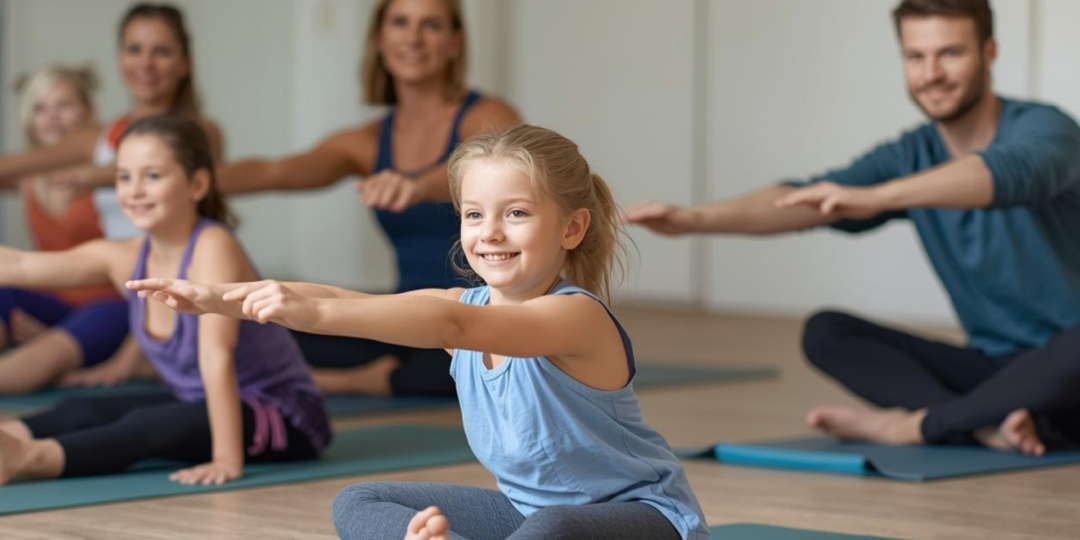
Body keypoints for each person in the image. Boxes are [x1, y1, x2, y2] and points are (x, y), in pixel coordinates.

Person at [129, 125, 709, 540]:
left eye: (517, 213)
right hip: (526, 517)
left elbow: (451, 323)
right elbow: (348, 298)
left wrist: (312, 317)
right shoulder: (470, 302)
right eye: (474, 214)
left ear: (572, 227)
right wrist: (217, 299)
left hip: (642, 521)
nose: (490, 233)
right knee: (361, 500)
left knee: (555, 528)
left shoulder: (574, 316)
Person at [627, 0, 1080, 455]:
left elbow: (1008, 173)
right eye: (916, 57)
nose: (931, 73)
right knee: (827, 332)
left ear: (989, 52)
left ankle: (918, 426)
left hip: (1071, 362)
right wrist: (693, 220)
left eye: (950, 54)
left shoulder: (1047, 129)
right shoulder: (911, 155)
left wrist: (880, 195)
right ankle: (991, 426)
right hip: (997, 371)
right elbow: (810, 199)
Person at [0, 116, 328, 486]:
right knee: (82, 408)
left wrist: (225, 459)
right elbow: (21, 265)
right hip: (197, 405)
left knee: (152, 424)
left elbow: (216, 355)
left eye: (152, 176)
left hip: (282, 416)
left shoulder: (212, 245)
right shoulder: (124, 257)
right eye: (124, 177)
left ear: (197, 184)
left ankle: (26, 459)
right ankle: (8, 439)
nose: (135, 190)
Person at [217, 0, 520, 398]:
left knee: (475, 362)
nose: (412, 37)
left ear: (454, 42)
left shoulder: (487, 114)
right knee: (275, 327)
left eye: (430, 25)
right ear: (380, 38)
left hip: (481, 314)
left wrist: (417, 186)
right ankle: (386, 370)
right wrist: (187, 181)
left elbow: (487, 167)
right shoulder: (367, 142)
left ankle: (357, 381)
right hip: (406, 316)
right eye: (400, 23)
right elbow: (275, 171)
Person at [0, 66, 140, 394]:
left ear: (90, 114)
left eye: (63, 105)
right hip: (50, 302)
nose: (51, 117)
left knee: (48, 350)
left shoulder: (113, 175)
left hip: (111, 305)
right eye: (40, 108)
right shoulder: (26, 177)